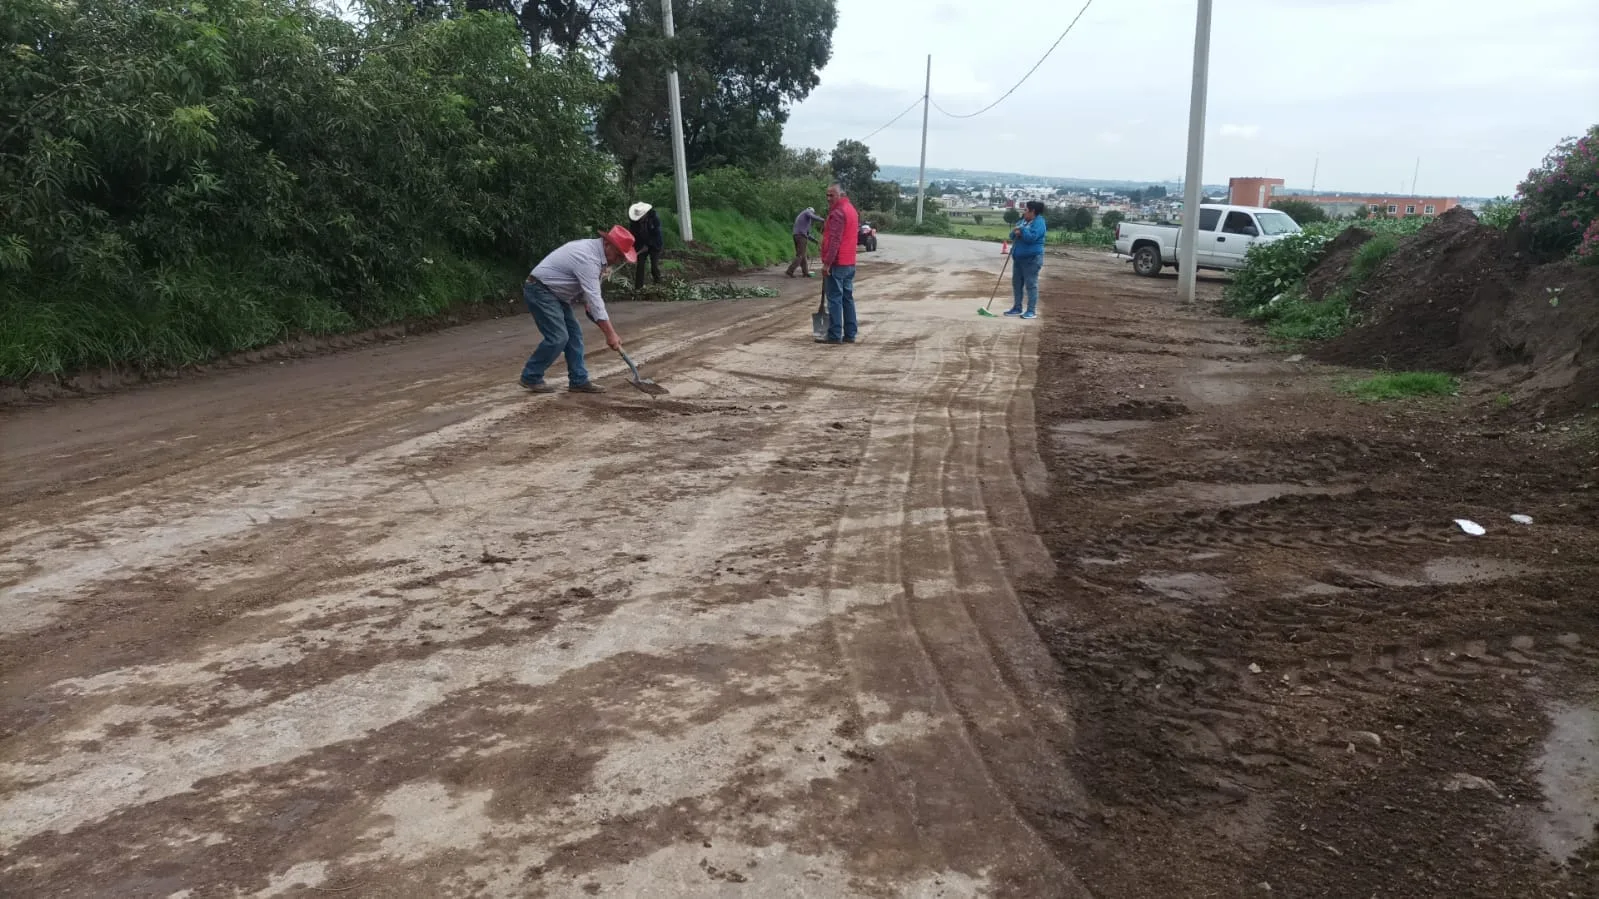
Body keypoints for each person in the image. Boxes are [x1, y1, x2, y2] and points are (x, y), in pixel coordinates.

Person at [519, 226, 635, 394]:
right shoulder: (588, 257)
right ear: (607, 244)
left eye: (621, 258)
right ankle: (531, 376)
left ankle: (579, 380)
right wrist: (610, 334)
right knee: (558, 337)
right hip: (540, 290)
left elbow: (590, 299)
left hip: (557, 295)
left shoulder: (596, 256)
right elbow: (595, 300)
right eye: (617, 255)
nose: (617, 260)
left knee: (574, 337)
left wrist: (589, 304)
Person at [818, 183, 860, 345]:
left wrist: (827, 264)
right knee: (847, 298)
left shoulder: (838, 213)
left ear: (841, 195)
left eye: (832, 195)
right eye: (827, 195)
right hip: (850, 262)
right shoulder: (851, 210)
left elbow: (835, 240)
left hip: (838, 262)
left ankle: (835, 334)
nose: (829, 199)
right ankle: (850, 333)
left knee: (834, 298)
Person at [1006, 200, 1047, 319]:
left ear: (1032, 211)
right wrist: (1016, 232)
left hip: (1032, 259)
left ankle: (1031, 311)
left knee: (1031, 284)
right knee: (1017, 283)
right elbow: (1011, 235)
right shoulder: (1023, 221)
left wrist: (1022, 230)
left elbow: (1031, 238)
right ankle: (1017, 307)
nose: (1024, 212)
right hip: (1018, 258)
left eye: (1026, 210)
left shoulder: (1039, 223)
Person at [627, 202, 665, 290]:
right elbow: (633, 236)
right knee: (640, 265)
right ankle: (638, 288)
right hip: (641, 245)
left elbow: (656, 234)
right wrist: (633, 249)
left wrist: (648, 245)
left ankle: (658, 285)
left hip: (655, 244)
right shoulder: (634, 223)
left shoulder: (654, 219)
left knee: (654, 266)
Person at [786, 206, 823, 277]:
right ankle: (790, 271)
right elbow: (812, 216)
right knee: (800, 255)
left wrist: (815, 241)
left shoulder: (803, 220)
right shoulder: (807, 212)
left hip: (797, 236)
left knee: (803, 255)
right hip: (801, 237)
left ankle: (805, 272)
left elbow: (807, 234)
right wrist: (823, 220)